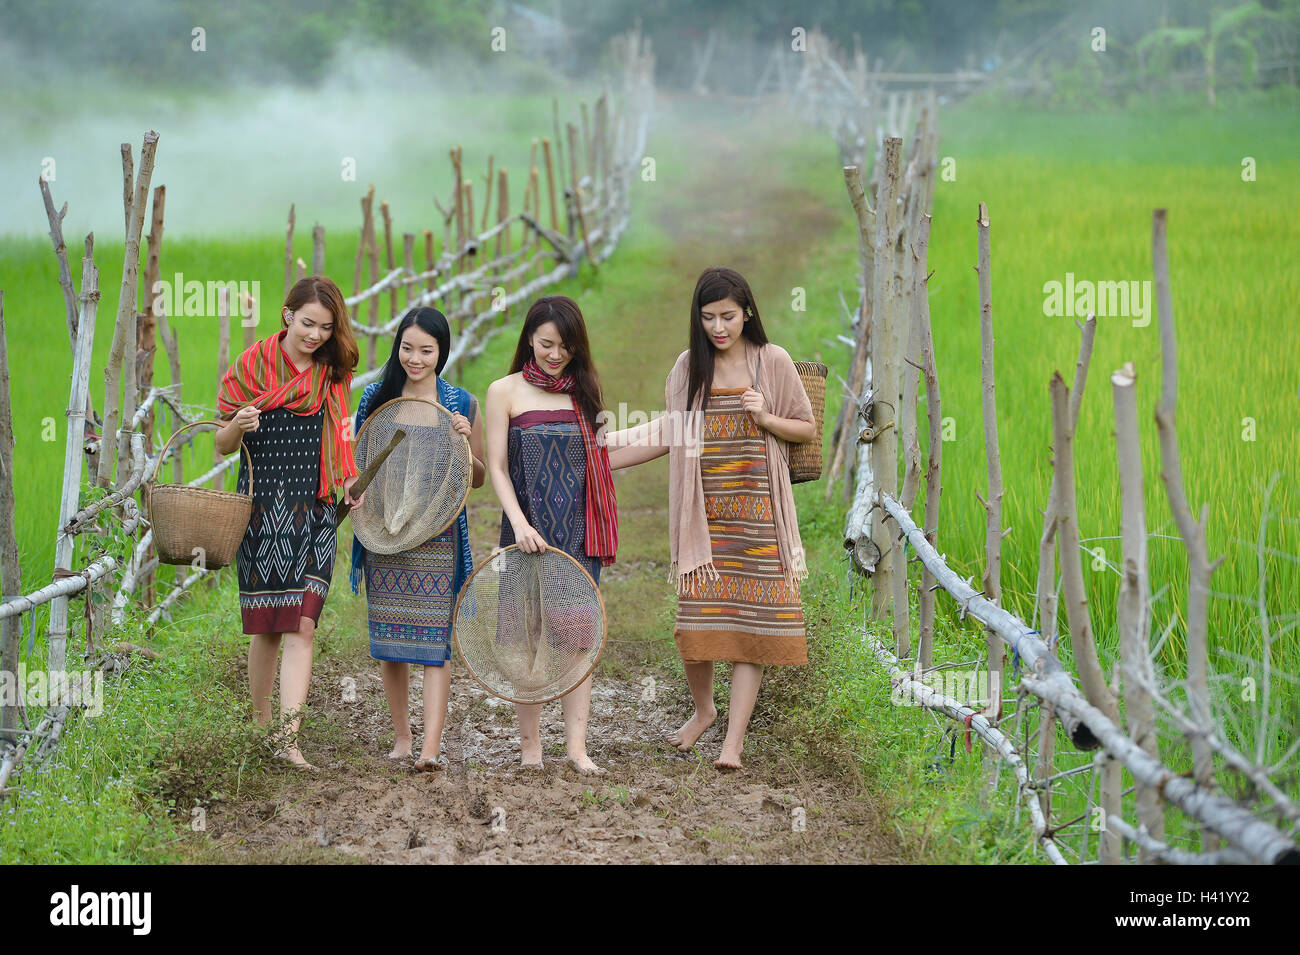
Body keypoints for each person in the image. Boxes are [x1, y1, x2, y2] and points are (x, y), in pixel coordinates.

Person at [607, 266, 814, 770]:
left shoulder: (773, 362)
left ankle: (733, 744)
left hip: (760, 516)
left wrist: (765, 418)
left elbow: (806, 428)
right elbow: (669, 432)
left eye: (728, 316)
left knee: (751, 626)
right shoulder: (688, 368)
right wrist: (599, 454)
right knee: (696, 624)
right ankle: (704, 710)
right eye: (708, 318)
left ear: (747, 312)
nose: (718, 328)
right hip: (704, 518)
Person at [216, 275, 363, 770]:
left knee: (303, 624)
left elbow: (343, 431)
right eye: (307, 324)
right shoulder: (251, 366)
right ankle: (261, 728)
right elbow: (221, 443)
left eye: (325, 327)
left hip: (316, 506)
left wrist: (349, 479)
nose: (315, 335)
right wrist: (238, 425)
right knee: (269, 626)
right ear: (287, 315)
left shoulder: (331, 373)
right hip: (262, 508)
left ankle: (288, 740)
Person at [483, 295, 618, 775]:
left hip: (578, 534)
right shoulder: (504, 391)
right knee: (528, 639)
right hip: (524, 531)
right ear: (529, 340)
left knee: (577, 640)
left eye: (565, 346)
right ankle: (530, 748)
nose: (555, 354)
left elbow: (600, 457)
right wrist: (519, 523)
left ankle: (578, 749)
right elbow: (497, 467)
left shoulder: (584, 391)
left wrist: (669, 434)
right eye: (546, 344)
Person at [350, 307, 486, 771]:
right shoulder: (375, 397)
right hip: (384, 536)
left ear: (442, 352)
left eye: (426, 350)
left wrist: (465, 443)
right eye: (407, 348)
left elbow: (480, 478)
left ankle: (430, 746)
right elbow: (358, 468)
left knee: (433, 644)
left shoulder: (460, 405)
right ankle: (402, 737)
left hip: (437, 538)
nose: (415, 358)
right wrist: (356, 498)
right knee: (390, 640)